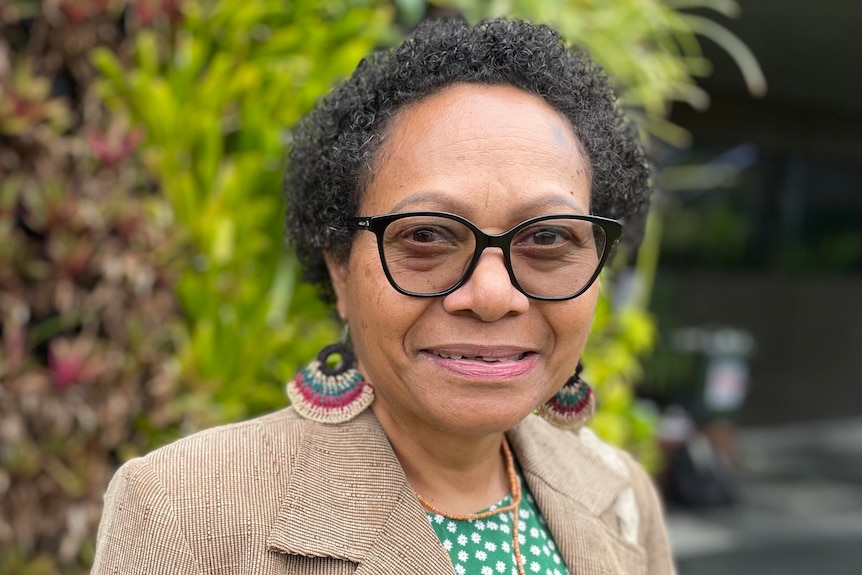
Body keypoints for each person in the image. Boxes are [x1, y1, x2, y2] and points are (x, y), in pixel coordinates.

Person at [93, 17, 676, 575]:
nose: (493, 295)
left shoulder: (620, 494)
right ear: (341, 270)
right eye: (426, 236)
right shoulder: (185, 510)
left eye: (548, 238)